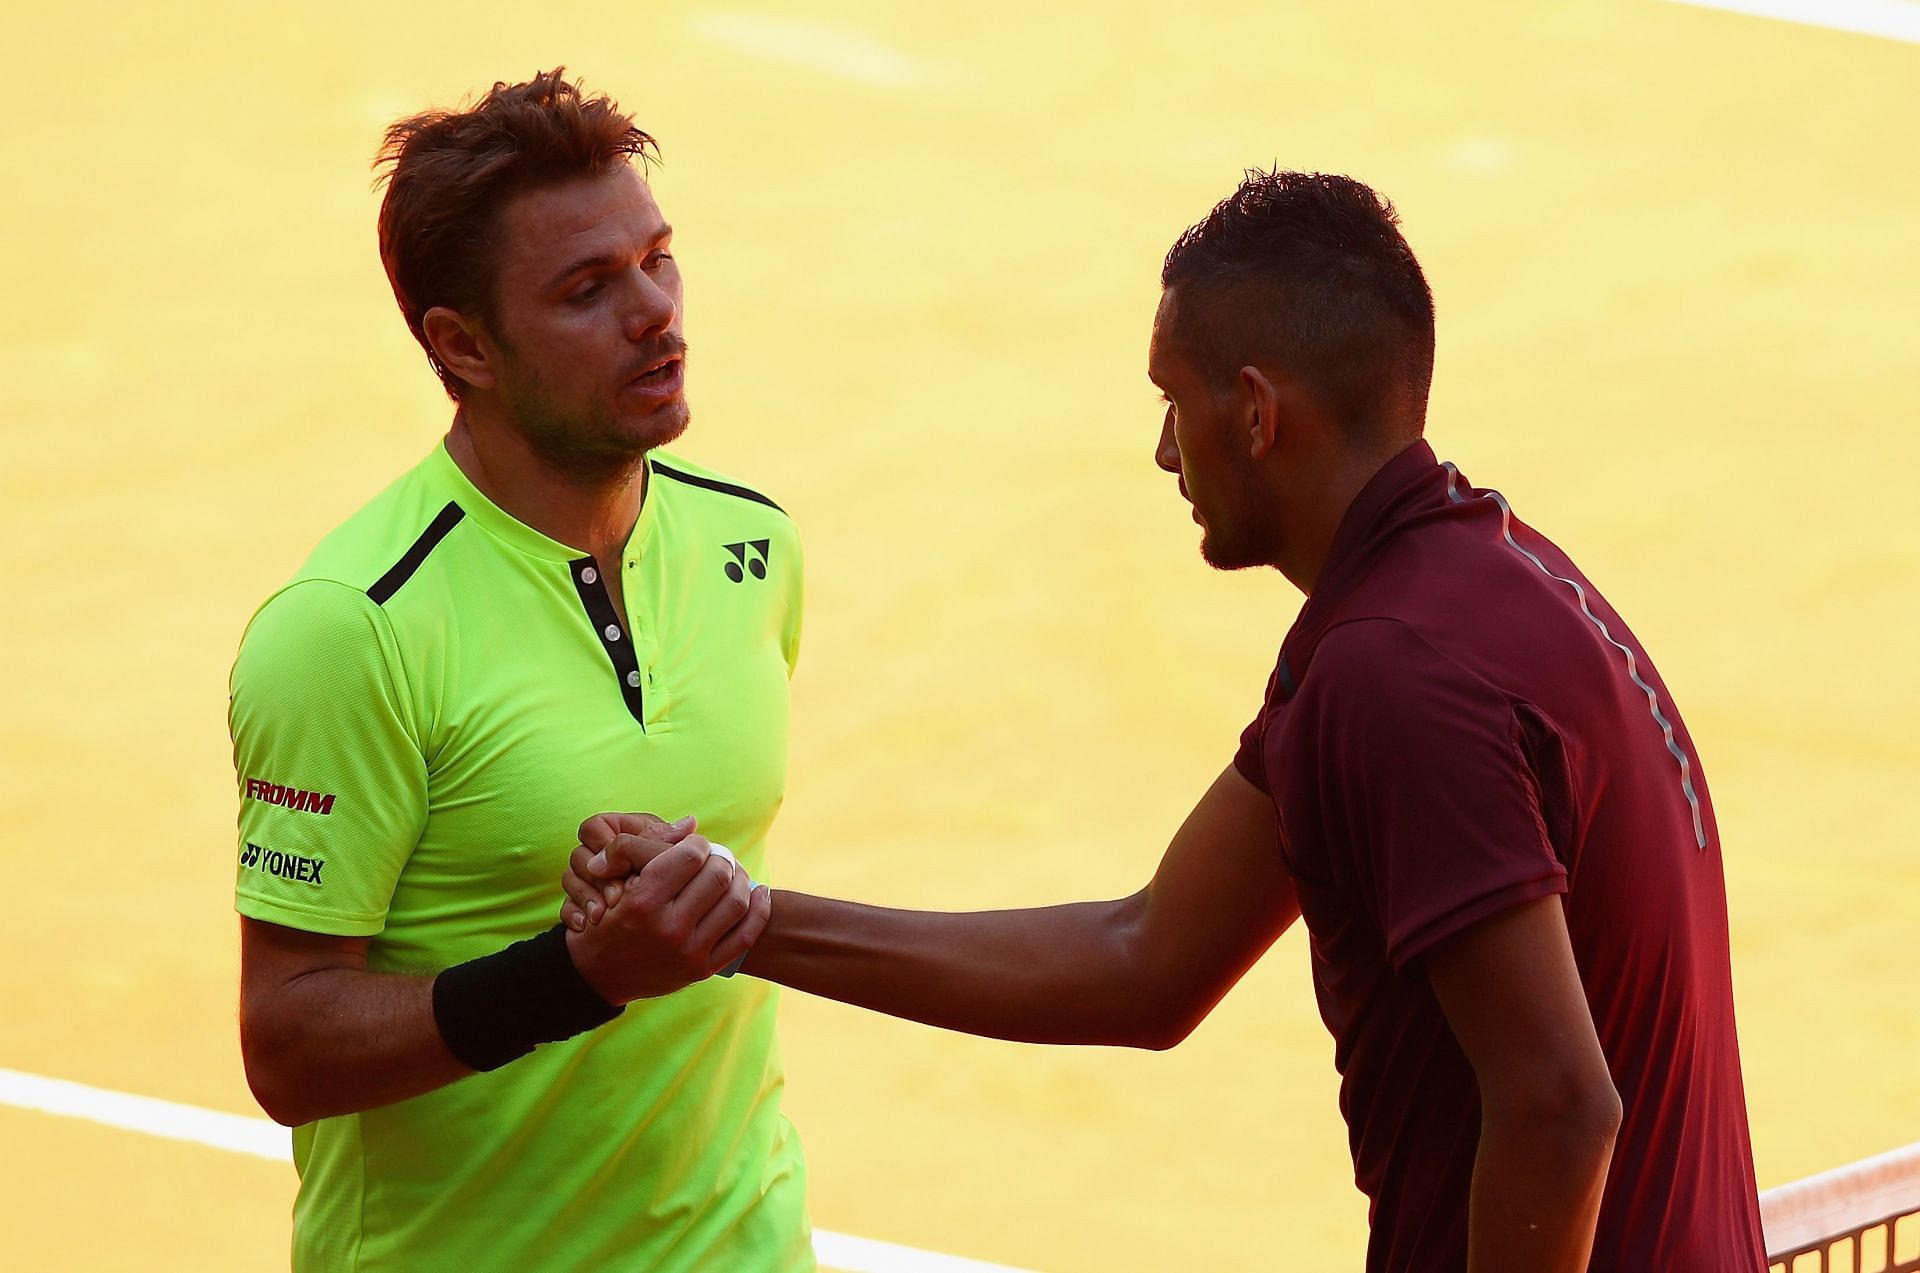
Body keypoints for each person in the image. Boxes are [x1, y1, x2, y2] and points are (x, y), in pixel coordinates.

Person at [565, 171, 1770, 1271]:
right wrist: (736, 919)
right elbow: (1144, 960)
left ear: (1255, 412)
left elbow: (1564, 1104)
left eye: (1171, 398)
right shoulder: (1490, 589)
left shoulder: (1394, 673)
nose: (1160, 448)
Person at [230, 69, 813, 1271]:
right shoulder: (353, 628)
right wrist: (577, 975)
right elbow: (287, 1044)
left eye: (658, 258)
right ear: (463, 345)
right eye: (588, 290)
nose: (654, 312)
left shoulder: (754, 546)